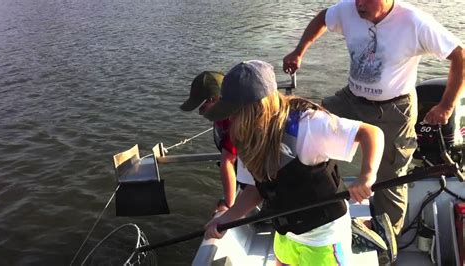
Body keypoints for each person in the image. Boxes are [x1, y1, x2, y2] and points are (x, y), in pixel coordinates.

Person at [283, 0, 464, 262]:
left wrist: (446, 106)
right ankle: (310, 208)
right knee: (306, 128)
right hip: (351, 99)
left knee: (388, 180)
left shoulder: (414, 22)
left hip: (394, 110)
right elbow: (323, 17)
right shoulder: (347, 10)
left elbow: (459, 54)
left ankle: (384, 246)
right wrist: (299, 50)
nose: (359, 4)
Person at [203, 60, 385, 266]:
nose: (231, 119)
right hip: (287, 235)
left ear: (257, 108)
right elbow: (255, 190)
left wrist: (367, 175)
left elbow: (371, 133)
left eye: (235, 112)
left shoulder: (309, 124)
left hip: (324, 241)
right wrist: (227, 219)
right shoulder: (247, 138)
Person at [180, 71, 239, 214]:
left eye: (202, 107)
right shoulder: (221, 116)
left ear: (215, 99)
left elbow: (228, 161)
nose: (201, 114)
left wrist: (228, 204)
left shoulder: (235, 122)